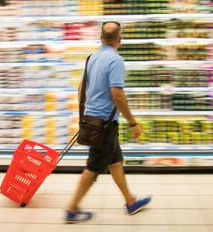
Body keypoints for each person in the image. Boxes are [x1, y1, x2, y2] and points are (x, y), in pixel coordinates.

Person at [65, 21, 152, 223]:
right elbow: (117, 94)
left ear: (101, 38)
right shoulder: (116, 59)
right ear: (119, 40)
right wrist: (133, 123)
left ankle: (130, 202)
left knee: (115, 162)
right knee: (93, 168)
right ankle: (72, 209)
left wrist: (85, 117)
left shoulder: (92, 57)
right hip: (104, 124)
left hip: (95, 120)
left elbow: (80, 89)